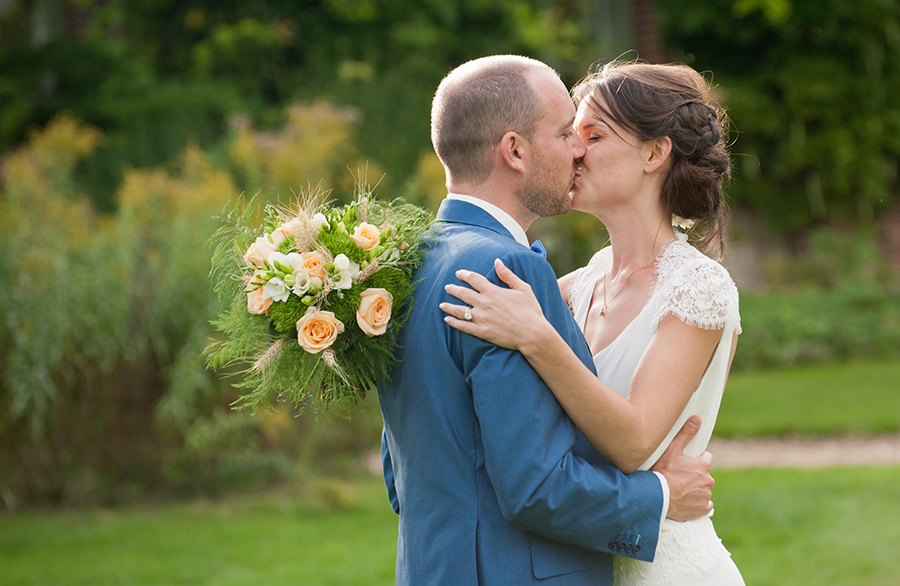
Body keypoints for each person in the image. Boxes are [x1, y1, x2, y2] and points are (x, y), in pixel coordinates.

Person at [376, 54, 716, 585]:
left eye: (590, 135)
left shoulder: (409, 261)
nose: (577, 148)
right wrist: (664, 493)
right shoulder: (508, 272)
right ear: (514, 150)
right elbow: (537, 488)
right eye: (565, 133)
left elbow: (403, 476)